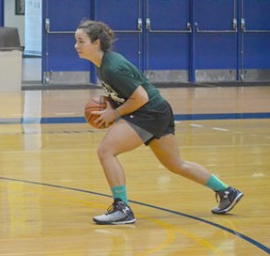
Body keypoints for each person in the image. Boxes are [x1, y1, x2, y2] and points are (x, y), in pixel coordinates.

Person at [74, 20, 244, 225]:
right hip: (159, 110)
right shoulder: (103, 65)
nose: (76, 46)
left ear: (97, 43)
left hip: (148, 111)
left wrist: (115, 114)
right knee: (176, 164)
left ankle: (122, 208)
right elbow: (125, 94)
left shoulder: (113, 67)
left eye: (80, 41)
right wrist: (112, 106)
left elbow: (141, 97)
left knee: (106, 151)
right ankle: (226, 191)